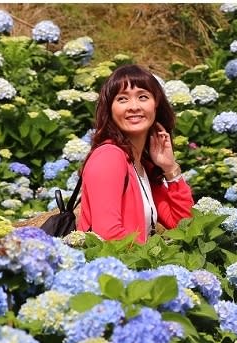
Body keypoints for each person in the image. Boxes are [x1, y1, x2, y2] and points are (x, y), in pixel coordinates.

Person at [76, 64, 193, 243]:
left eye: (143, 97)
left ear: (156, 105)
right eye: (122, 99)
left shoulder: (142, 165)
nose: (134, 106)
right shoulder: (109, 157)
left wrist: (170, 169)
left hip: (136, 266)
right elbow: (109, 236)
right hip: (114, 268)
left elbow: (184, 227)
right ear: (110, 109)